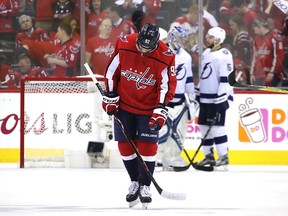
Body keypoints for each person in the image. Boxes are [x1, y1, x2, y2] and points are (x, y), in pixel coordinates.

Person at [101, 23, 176, 208]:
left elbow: (167, 85)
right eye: (141, 45)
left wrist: (160, 108)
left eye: (147, 48)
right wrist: (110, 95)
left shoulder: (166, 55)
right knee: (125, 146)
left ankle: (145, 185)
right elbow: (112, 72)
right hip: (125, 105)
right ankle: (134, 181)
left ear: (157, 43)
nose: (143, 50)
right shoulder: (125, 43)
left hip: (148, 108)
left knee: (148, 148)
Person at [156, 26, 196, 170]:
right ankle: (156, 158)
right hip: (163, 101)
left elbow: (188, 78)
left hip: (180, 102)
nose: (184, 41)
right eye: (181, 38)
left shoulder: (186, 56)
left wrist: (191, 97)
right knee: (161, 130)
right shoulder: (161, 53)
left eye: (184, 39)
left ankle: (172, 158)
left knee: (179, 132)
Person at [195, 26, 234, 170]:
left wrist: (223, 98)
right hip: (205, 98)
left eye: (210, 37)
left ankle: (223, 158)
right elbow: (205, 75)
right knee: (203, 127)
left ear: (217, 39)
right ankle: (209, 157)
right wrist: (198, 91)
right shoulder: (206, 53)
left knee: (218, 128)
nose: (207, 39)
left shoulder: (224, 55)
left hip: (217, 99)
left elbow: (227, 79)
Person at [249, 19, 284, 87]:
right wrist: (252, 73)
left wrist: (272, 72)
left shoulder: (274, 37)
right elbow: (254, 58)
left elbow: (279, 56)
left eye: (255, 29)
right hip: (258, 75)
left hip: (271, 75)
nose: (255, 32)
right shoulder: (256, 39)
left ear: (260, 27)